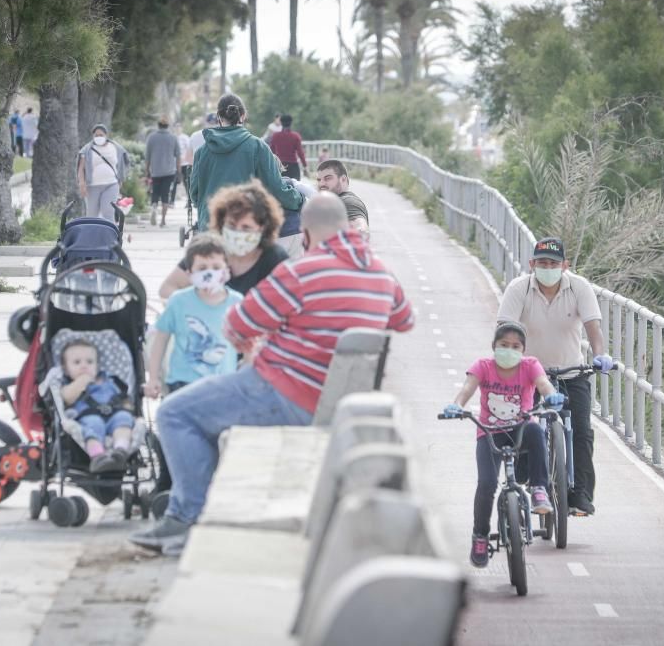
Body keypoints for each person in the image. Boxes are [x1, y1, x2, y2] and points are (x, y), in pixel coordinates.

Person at [129, 194, 415, 555]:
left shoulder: (300, 272)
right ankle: (198, 515)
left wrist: (275, 336)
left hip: (284, 391)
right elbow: (404, 320)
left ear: (307, 234)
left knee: (176, 413)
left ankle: (185, 520)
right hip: (342, 404)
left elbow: (235, 326)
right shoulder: (381, 273)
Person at [496, 236, 612, 517]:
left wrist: (600, 355)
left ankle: (580, 494)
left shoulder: (579, 287)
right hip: (529, 375)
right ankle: (529, 475)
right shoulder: (519, 289)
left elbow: (593, 330)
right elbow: (505, 330)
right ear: (532, 264)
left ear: (565, 265)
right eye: (543, 263)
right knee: (523, 426)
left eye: (554, 263)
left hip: (572, 371)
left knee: (582, 432)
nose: (548, 267)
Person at [443, 321, 565, 567]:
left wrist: (551, 394)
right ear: (494, 346)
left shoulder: (530, 365)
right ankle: (480, 535)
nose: (509, 350)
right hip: (490, 432)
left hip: (521, 429)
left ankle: (539, 489)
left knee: (535, 429)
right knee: (487, 484)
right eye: (503, 345)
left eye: (515, 346)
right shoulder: (483, 366)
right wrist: (457, 405)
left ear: (523, 349)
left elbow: (543, 384)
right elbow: (467, 388)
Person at [188, 93, 304, 250]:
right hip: (245, 231)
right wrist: (299, 199)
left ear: (218, 116)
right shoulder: (258, 147)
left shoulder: (202, 151)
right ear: (243, 116)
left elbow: (195, 194)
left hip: (210, 228)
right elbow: (277, 189)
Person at [146, 233, 243, 399]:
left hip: (223, 383)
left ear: (226, 270)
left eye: (215, 267)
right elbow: (161, 338)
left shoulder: (237, 302)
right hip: (182, 382)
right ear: (190, 273)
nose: (209, 273)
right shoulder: (178, 301)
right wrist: (154, 377)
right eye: (202, 268)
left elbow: (248, 343)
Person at [159, 180, 289, 299]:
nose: (238, 233)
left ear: (262, 228)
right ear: (222, 223)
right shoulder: (209, 248)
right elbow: (167, 289)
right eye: (231, 225)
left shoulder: (274, 258)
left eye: (246, 228)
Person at [59, 339, 134, 474]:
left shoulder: (109, 380)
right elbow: (66, 398)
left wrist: (128, 407)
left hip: (114, 413)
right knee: (94, 425)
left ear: (97, 366)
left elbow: (123, 397)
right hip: (89, 416)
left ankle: (121, 451)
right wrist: (80, 382)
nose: (84, 366)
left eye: (90, 362)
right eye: (77, 362)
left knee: (124, 419)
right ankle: (98, 457)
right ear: (65, 368)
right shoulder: (68, 384)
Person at [76, 124, 130, 220]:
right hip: (92, 186)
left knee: (108, 212)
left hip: (111, 185)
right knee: (92, 215)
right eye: (96, 135)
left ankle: (110, 234)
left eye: (101, 135)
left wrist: (120, 179)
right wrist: (81, 183)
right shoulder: (87, 149)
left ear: (106, 135)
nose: (98, 137)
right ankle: (93, 234)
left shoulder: (115, 147)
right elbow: (81, 168)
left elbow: (121, 163)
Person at [317, 159, 369, 236]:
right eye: (319, 180)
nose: (321, 184)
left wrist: (361, 231)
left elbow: (360, 226)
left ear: (343, 179)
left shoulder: (348, 201)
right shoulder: (333, 202)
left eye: (327, 178)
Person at [145, 116, 182, 227]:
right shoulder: (173, 138)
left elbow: (147, 157)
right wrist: (179, 172)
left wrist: (146, 171)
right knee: (165, 194)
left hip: (155, 171)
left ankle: (154, 207)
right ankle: (163, 221)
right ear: (167, 126)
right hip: (169, 171)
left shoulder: (151, 137)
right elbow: (178, 156)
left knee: (155, 193)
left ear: (158, 126)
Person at [269, 114, 307, 181]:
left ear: (281, 123)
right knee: (295, 188)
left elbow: (271, 152)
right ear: (291, 123)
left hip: (280, 166)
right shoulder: (295, 136)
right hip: (293, 166)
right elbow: (300, 153)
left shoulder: (275, 136)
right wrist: (305, 166)